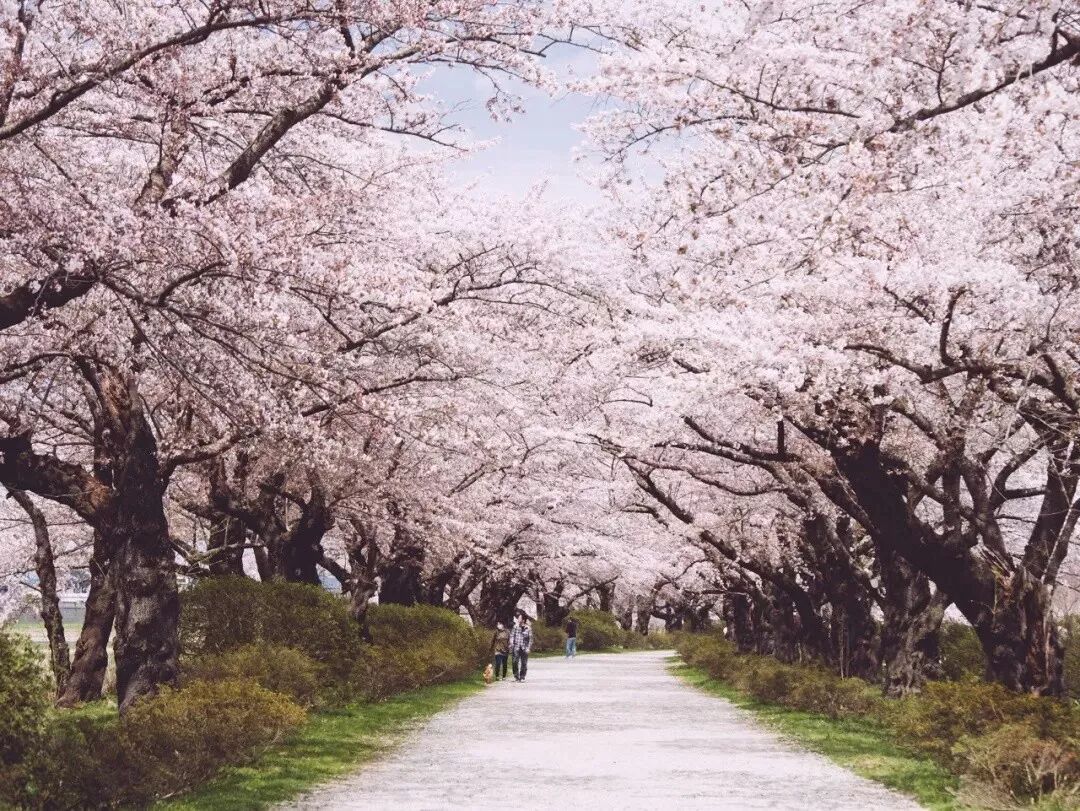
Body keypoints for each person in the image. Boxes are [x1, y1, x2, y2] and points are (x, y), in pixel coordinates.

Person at [509, 612, 532, 682]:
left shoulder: (528, 628)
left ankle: (522, 677)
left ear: (523, 620)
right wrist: (511, 642)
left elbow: (530, 639)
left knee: (524, 663)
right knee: (515, 661)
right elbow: (512, 635)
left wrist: (528, 648)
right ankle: (516, 676)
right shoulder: (515, 627)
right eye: (518, 618)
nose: (518, 619)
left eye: (519, 618)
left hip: (524, 648)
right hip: (516, 647)